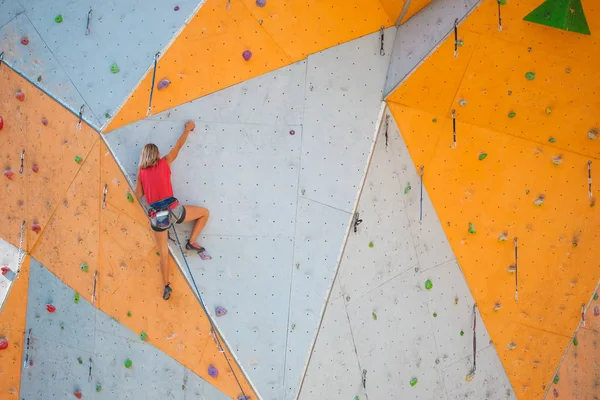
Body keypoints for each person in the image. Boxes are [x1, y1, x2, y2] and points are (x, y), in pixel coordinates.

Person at [135, 120, 209, 300]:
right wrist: (188, 129)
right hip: (174, 210)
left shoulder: (141, 172)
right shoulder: (165, 161)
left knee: (164, 253)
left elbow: (138, 195)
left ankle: (166, 286)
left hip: (157, 216)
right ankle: (191, 241)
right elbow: (179, 145)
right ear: (157, 153)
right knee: (204, 213)